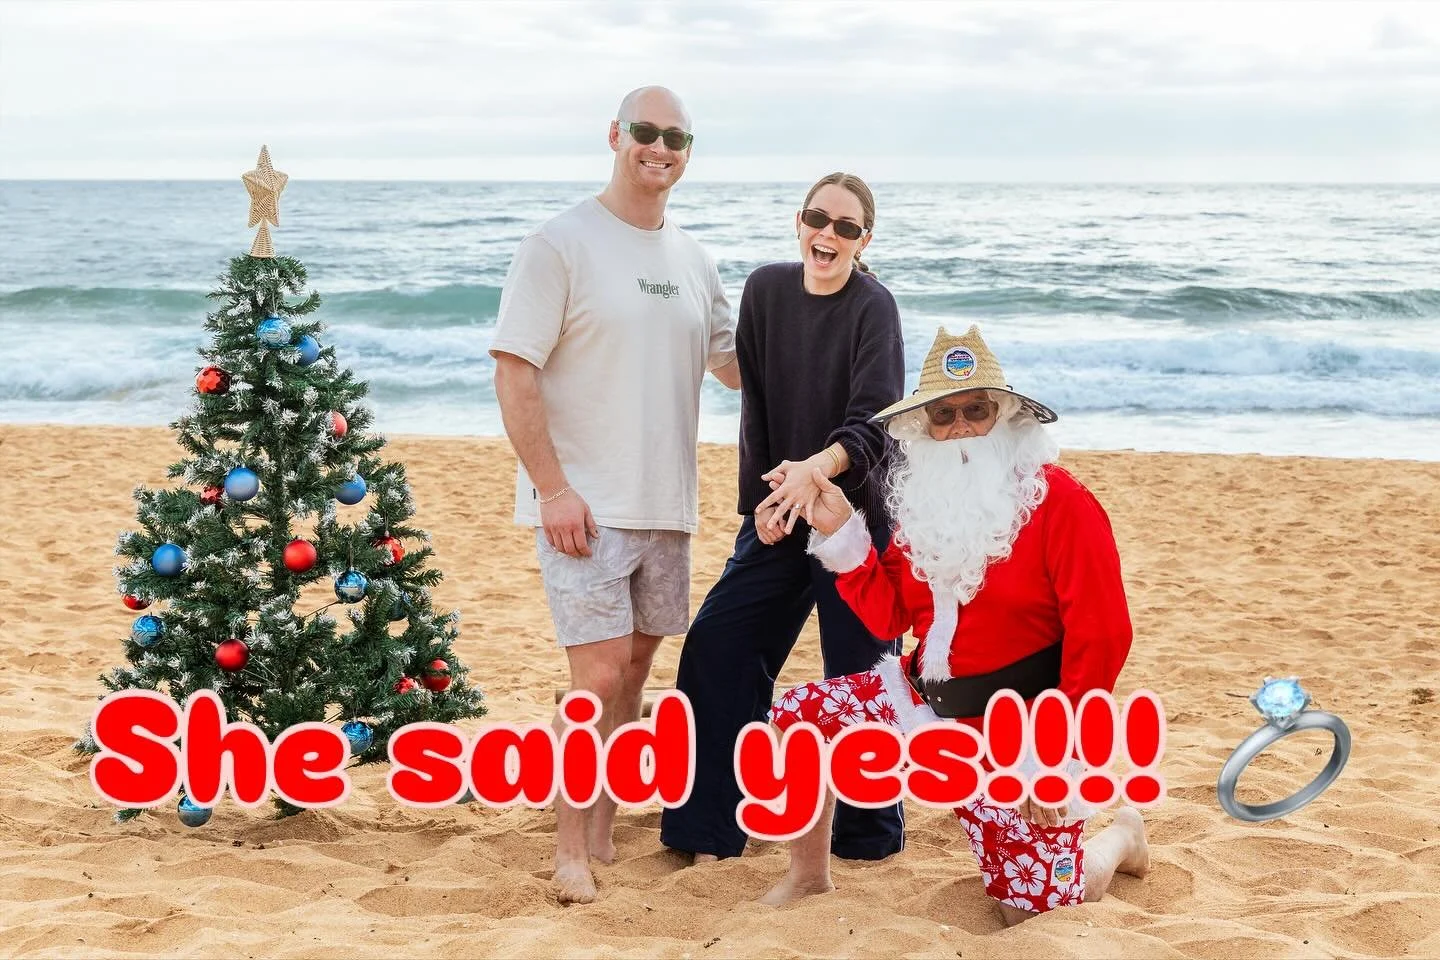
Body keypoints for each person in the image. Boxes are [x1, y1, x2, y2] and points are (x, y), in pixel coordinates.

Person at [762, 325, 1150, 925]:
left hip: (1018, 737)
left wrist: (1053, 758)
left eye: (977, 410)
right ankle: (809, 877)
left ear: (1008, 417)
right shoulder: (921, 502)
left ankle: (1122, 837)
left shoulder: (1062, 502)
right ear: (924, 429)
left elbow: (1102, 637)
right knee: (798, 715)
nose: (961, 426)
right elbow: (892, 615)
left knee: (1033, 908)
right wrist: (842, 531)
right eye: (944, 415)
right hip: (925, 710)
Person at [490, 86, 740, 905]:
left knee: (635, 673)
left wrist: (834, 298)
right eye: (645, 131)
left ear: (688, 151)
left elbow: (737, 366)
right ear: (615, 135)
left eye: (675, 136)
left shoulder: (698, 261)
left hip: (666, 504)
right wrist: (551, 488)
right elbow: (514, 367)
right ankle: (568, 850)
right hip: (583, 509)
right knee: (594, 680)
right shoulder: (559, 243)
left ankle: (599, 824)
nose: (658, 146)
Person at [659, 173, 907, 864]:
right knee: (718, 645)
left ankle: (867, 836)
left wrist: (813, 473)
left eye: (846, 227)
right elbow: (757, 409)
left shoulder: (874, 308)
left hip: (854, 519)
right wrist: (764, 503)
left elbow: (875, 426)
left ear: (864, 239)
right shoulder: (766, 290)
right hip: (780, 507)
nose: (827, 234)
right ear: (799, 223)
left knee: (858, 676)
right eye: (817, 218)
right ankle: (707, 830)